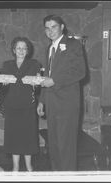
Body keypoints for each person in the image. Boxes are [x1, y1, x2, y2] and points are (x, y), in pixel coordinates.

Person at [37, 15, 86, 171]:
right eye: (47, 28)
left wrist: (55, 81)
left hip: (67, 104)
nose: (50, 31)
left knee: (66, 147)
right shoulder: (49, 48)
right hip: (51, 103)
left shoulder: (74, 44)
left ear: (62, 27)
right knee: (54, 146)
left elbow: (80, 72)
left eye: (54, 27)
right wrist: (41, 100)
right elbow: (47, 77)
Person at [2, 37, 41, 171]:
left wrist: (36, 84)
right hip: (12, 106)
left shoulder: (34, 64)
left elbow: (38, 88)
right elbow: (3, 89)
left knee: (28, 137)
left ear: (28, 50)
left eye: (24, 48)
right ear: (14, 50)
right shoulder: (7, 65)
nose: (21, 50)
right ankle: (16, 166)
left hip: (27, 106)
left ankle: (29, 166)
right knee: (14, 137)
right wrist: (4, 85)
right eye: (18, 48)